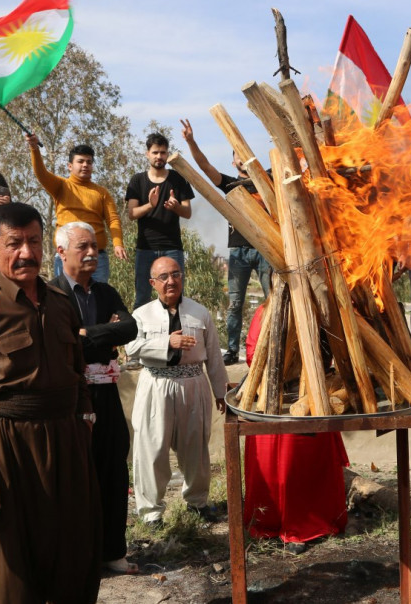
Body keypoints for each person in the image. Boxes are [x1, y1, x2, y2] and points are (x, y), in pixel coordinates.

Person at [0, 202, 102, 603]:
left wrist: (83, 421)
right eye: (14, 243)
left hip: (67, 445)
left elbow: (78, 373)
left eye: (33, 241)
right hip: (5, 452)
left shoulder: (61, 303)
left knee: (74, 556)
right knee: (10, 572)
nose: (27, 253)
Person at [50, 221, 138, 574]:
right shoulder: (51, 295)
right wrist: (105, 334)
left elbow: (129, 328)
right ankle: (76, 555)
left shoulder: (105, 293)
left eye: (95, 248)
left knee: (114, 466)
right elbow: (64, 342)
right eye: (82, 247)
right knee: (74, 475)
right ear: (61, 252)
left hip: (107, 393)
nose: (91, 253)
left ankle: (113, 551)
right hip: (71, 399)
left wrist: (89, 332)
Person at [125, 256, 229, 525]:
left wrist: (221, 393)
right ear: (152, 283)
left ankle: (197, 503)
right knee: (152, 449)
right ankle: (150, 512)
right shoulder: (140, 314)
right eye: (164, 277)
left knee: (196, 447)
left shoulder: (200, 312)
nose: (171, 281)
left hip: (193, 385)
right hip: (155, 385)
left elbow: (214, 357)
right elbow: (131, 348)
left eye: (176, 274)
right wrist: (166, 342)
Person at [242, 302, 350, 554]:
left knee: (299, 469)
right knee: (275, 470)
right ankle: (269, 523)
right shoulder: (266, 312)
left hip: (310, 398)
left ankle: (303, 526)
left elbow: (332, 351)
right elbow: (253, 355)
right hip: (272, 401)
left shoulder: (318, 311)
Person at [181, 119, 270, 365]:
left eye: (245, 152)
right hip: (239, 253)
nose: (242, 157)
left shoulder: (267, 179)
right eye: (237, 154)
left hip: (267, 251)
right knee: (235, 304)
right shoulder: (230, 184)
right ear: (233, 162)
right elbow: (205, 167)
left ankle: (273, 344)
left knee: (272, 300)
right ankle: (232, 350)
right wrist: (191, 141)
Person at [26, 133, 126, 283]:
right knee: (66, 301)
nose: (85, 165)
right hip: (66, 255)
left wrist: (118, 244)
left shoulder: (102, 193)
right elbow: (41, 174)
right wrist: (34, 148)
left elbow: (113, 220)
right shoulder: (61, 186)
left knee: (98, 301)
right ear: (70, 166)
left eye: (89, 162)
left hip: (97, 257)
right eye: (80, 161)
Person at [125, 132, 194, 309]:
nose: (159, 156)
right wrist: (150, 205)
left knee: (176, 298)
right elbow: (131, 213)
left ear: (167, 154)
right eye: (155, 152)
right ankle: (140, 336)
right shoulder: (137, 180)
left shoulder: (177, 179)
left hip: (172, 248)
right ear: (147, 153)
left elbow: (187, 212)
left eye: (163, 152)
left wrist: (176, 206)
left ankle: (176, 335)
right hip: (145, 248)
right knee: (142, 298)